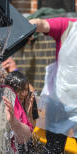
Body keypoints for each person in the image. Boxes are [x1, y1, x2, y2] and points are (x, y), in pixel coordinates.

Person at [29, 17, 77, 153]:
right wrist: (27, 27)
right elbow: (42, 24)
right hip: (59, 102)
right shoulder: (67, 26)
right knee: (53, 148)